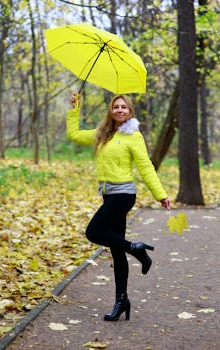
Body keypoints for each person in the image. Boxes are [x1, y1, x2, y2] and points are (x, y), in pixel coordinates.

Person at [67, 92, 171, 322]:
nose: (120, 110)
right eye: (116, 107)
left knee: (93, 232)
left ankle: (135, 249)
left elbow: (145, 166)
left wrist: (160, 194)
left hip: (123, 195)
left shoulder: (133, 136)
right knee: (116, 250)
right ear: (111, 111)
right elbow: (73, 134)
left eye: (124, 107)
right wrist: (75, 108)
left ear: (130, 112)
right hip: (108, 195)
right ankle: (121, 300)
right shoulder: (102, 135)